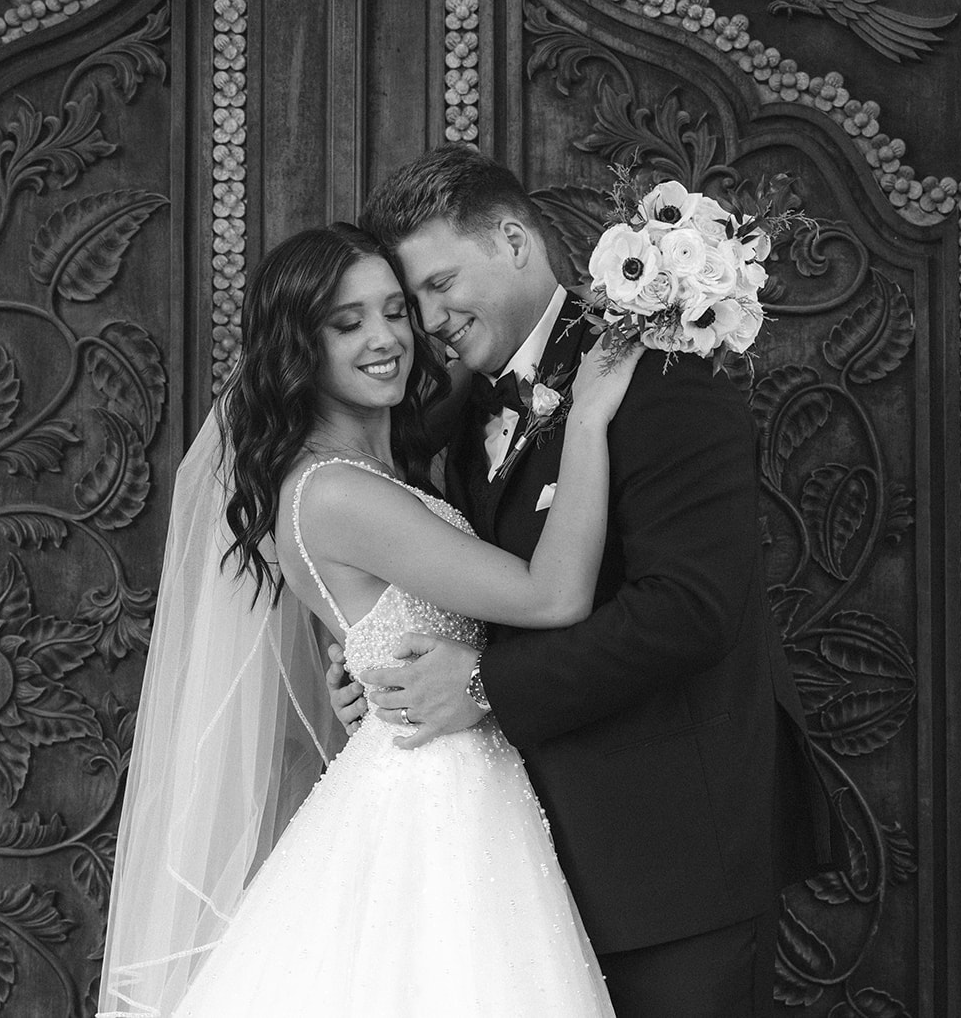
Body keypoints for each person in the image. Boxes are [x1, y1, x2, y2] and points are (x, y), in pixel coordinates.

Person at [327, 145, 828, 1017]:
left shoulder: (657, 369)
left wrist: (481, 684)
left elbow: (690, 610)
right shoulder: (469, 413)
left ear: (515, 242)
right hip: (529, 873)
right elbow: (496, 599)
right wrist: (394, 672)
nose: (429, 320)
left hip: (673, 866)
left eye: (442, 283)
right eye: (416, 299)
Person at [98, 221, 641, 1016]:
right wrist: (588, 420)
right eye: (347, 323)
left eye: (395, 310)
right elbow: (552, 597)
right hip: (434, 797)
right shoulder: (337, 492)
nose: (386, 337)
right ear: (300, 349)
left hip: (456, 776)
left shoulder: (378, 463)